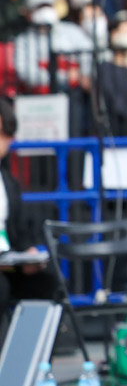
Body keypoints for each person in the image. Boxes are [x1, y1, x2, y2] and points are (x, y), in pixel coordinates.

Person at [0, 97, 60, 323]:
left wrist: (29, 254)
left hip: (8, 260)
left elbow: (19, 228)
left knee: (49, 284)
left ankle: (35, 355)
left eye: (5, 134)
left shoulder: (7, 181)